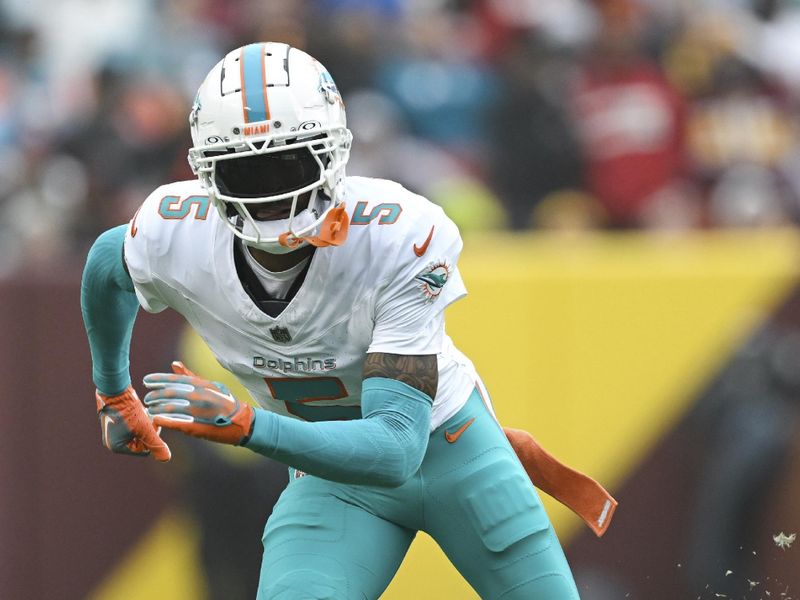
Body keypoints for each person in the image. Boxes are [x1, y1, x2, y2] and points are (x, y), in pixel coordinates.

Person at [81, 42, 615, 599]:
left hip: (453, 451)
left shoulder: (397, 232)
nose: (273, 192)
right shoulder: (174, 230)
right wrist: (112, 394)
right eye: (247, 171)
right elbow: (104, 265)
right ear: (206, 173)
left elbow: (395, 448)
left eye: (288, 161)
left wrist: (244, 424)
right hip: (333, 481)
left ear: (333, 152)